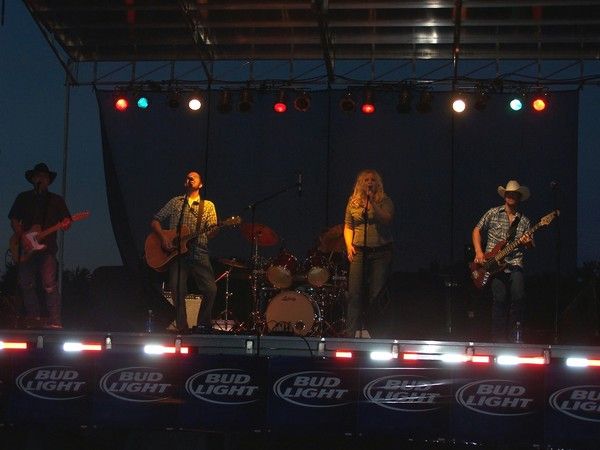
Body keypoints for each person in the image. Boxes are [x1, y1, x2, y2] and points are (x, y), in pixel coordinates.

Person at [151, 171, 217, 333]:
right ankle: (182, 327)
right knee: (177, 288)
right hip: (176, 253)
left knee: (210, 289)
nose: (190, 178)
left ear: (201, 184)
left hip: (199, 251)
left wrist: (215, 229)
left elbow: (212, 232)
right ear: (185, 183)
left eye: (194, 177)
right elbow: (155, 221)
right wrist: (164, 238)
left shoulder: (208, 205)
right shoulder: (176, 202)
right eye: (188, 177)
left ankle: (202, 324)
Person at [8, 163, 71, 329]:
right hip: (26, 247)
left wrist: (66, 223)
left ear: (49, 180)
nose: (41, 179)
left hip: (47, 248)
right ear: (32, 179)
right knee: (25, 283)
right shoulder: (23, 197)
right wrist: (23, 236)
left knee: (49, 283)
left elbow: (66, 222)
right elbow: (14, 220)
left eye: (44, 176)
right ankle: (33, 319)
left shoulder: (56, 200)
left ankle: (55, 321)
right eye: (38, 176)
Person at [472, 180, 534, 342]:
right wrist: (479, 251)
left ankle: (515, 337)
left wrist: (527, 242)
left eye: (514, 194)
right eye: (509, 193)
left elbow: (530, 246)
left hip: (515, 263)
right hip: (492, 264)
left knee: (518, 297)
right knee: (499, 299)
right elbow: (477, 229)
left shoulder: (524, 221)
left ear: (519, 197)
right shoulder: (493, 213)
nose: (511, 196)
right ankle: (498, 340)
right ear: (505, 195)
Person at [343, 169, 394, 338]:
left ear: (377, 183)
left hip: (380, 252)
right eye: (366, 180)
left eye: (373, 180)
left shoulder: (384, 200)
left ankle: (376, 333)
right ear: (360, 183)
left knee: (376, 294)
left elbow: (386, 218)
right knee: (354, 293)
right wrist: (349, 245)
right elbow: (348, 226)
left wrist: (372, 203)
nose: (369, 182)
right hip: (359, 251)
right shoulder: (353, 202)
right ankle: (351, 333)